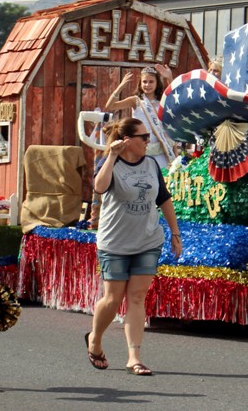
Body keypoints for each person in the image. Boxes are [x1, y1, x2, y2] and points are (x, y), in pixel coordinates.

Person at [86, 117, 183, 376]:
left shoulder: (151, 164)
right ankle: (95, 339)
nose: (148, 142)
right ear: (128, 140)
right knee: (112, 299)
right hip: (115, 241)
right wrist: (111, 157)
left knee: (137, 297)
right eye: (144, 137)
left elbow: (164, 199)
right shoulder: (110, 163)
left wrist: (175, 233)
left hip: (148, 240)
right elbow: (99, 186)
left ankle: (134, 357)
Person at [104, 65, 177, 169]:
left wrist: (169, 77)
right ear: (140, 83)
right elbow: (110, 106)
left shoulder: (163, 101)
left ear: (157, 83)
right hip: (141, 148)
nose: (147, 85)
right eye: (144, 82)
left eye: (151, 82)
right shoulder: (136, 101)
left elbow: (176, 98)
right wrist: (121, 87)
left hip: (162, 149)